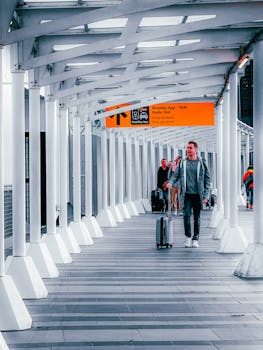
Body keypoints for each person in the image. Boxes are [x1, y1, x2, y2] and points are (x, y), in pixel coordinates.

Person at [165, 141, 210, 248]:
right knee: (186, 215)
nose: (188, 150)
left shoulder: (201, 162)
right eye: (187, 148)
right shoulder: (182, 162)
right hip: (186, 195)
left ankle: (195, 239)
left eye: (190, 148)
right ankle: (188, 237)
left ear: (196, 149)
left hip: (198, 195)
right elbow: (176, 175)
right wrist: (170, 182)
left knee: (197, 218)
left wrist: (206, 195)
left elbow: (207, 179)